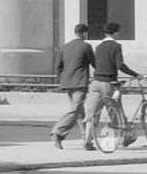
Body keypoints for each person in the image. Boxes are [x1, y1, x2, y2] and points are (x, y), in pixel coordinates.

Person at [83, 21, 140, 150]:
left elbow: (97, 64)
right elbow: (120, 65)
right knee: (116, 111)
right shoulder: (116, 46)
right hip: (108, 83)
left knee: (92, 113)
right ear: (115, 32)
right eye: (118, 32)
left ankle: (87, 140)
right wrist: (135, 74)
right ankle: (127, 136)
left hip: (95, 82)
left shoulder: (99, 46)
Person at [50, 24, 96, 149]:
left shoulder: (65, 47)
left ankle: (87, 140)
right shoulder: (86, 46)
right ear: (84, 33)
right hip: (79, 82)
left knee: (80, 112)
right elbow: (94, 63)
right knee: (75, 111)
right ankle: (57, 133)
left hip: (67, 82)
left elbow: (58, 67)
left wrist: (63, 78)